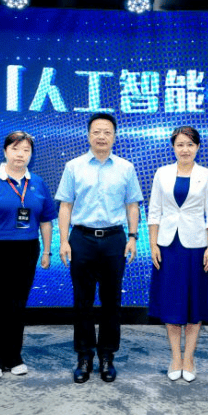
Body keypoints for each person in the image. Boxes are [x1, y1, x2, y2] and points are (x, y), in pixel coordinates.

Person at [56, 113, 143, 383]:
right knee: (82, 300)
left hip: (114, 239)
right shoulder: (73, 166)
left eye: (107, 132)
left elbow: (132, 205)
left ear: (114, 136)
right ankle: (84, 356)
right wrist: (63, 240)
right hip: (81, 238)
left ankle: (107, 356)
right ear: (88, 135)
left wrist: (133, 237)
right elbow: (65, 205)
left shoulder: (126, 168)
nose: (101, 136)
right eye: (96, 131)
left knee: (111, 301)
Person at [0, 131, 57, 380]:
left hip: (27, 250)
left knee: (18, 305)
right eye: (15, 149)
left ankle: (14, 356)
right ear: (5, 151)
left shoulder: (37, 183)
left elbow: (46, 220)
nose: (20, 154)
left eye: (26, 150)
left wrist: (47, 251)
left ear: (31, 154)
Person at [147, 126, 208, 383]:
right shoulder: (162, 173)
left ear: (197, 147)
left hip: (196, 246)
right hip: (168, 247)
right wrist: (153, 245)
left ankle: (189, 358)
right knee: (171, 302)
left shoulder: (207, 175)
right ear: (173, 147)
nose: (185, 149)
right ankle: (175, 358)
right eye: (180, 144)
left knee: (194, 303)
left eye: (190, 144)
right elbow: (154, 211)